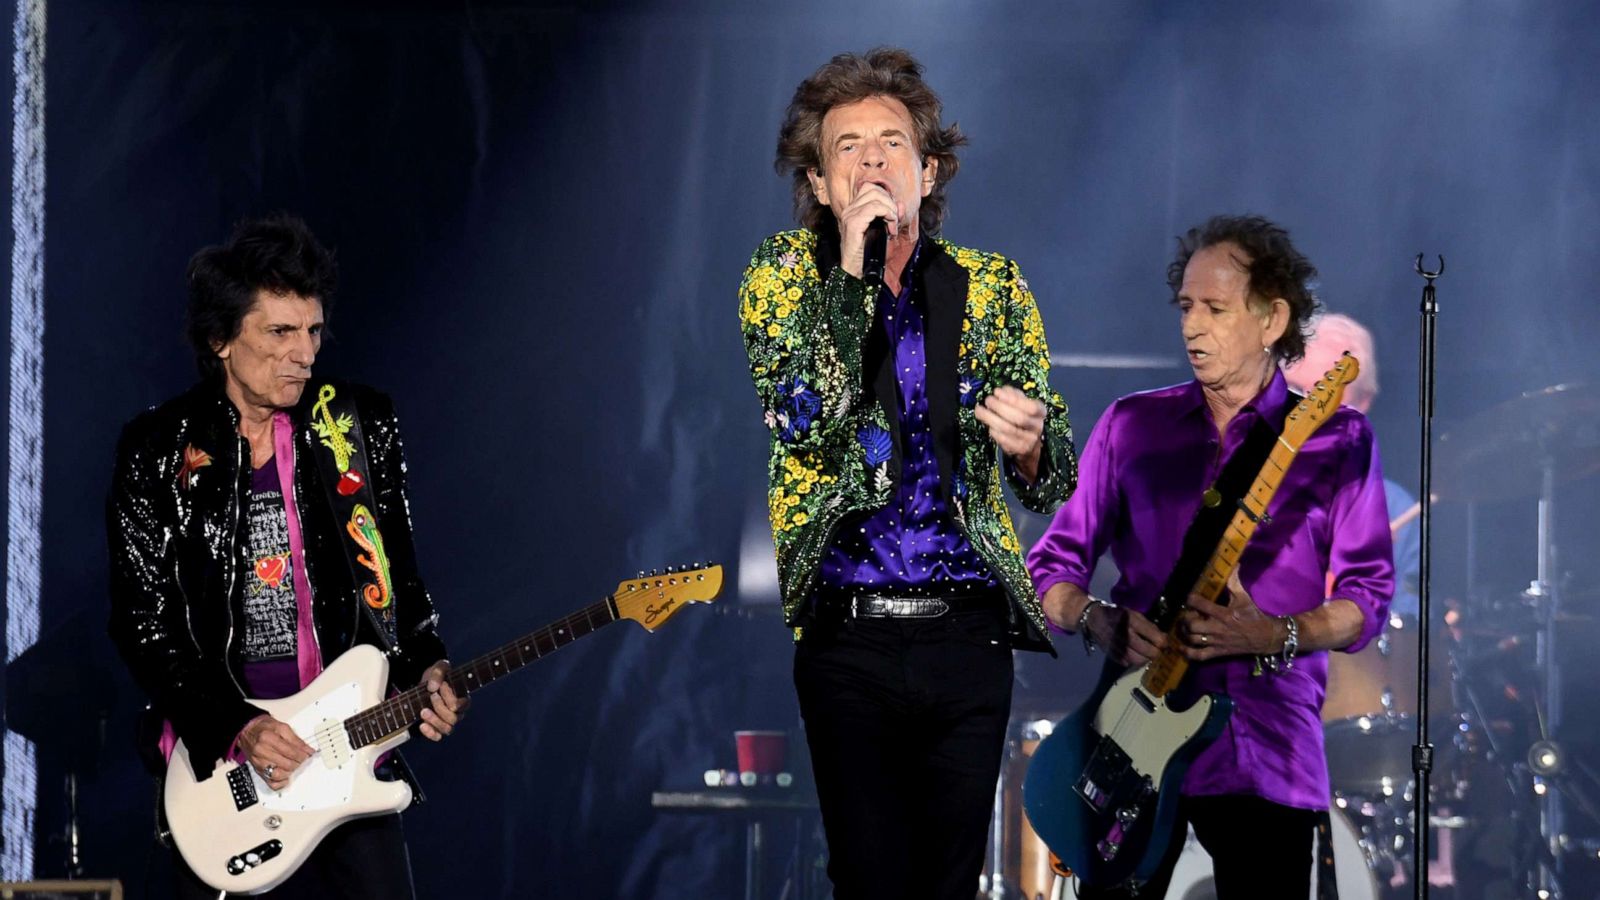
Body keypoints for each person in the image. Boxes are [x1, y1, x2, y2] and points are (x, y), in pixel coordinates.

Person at [738, 48, 1077, 899]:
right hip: (849, 634)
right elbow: (804, 420)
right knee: (870, 876)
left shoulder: (993, 287)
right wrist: (852, 274)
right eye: (848, 146)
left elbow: (1052, 474)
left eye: (892, 143)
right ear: (819, 183)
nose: (873, 161)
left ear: (929, 172)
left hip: (967, 633)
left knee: (948, 882)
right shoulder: (781, 278)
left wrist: (1031, 445)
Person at [1025, 215, 1395, 898]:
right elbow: (1049, 566)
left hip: (1267, 743)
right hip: (1129, 737)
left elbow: (1367, 602)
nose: (1193, 327)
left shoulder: (1337, 440)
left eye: (1216, 309)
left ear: (1272, 318)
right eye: (1187, 307)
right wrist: (1094, 618)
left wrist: (1273, 633)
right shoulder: (1132, 425)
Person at [107, 214, 464, 899]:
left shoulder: (357, 426)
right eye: (279, 332)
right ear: (220, 339)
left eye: (313, 331)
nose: (303, 353)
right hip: (220, 768)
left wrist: (430, 666)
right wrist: (236, 723)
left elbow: (401, 584)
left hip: (345, 750)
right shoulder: (156, 449)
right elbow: (140, 622)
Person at [1283, 312, 1420, 616]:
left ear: (1363, 402)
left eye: (1324, 395)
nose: (1302, 410)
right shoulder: (1233, 483)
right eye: (1293, 390)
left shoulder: (1393, 508)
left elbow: (1398, 642)